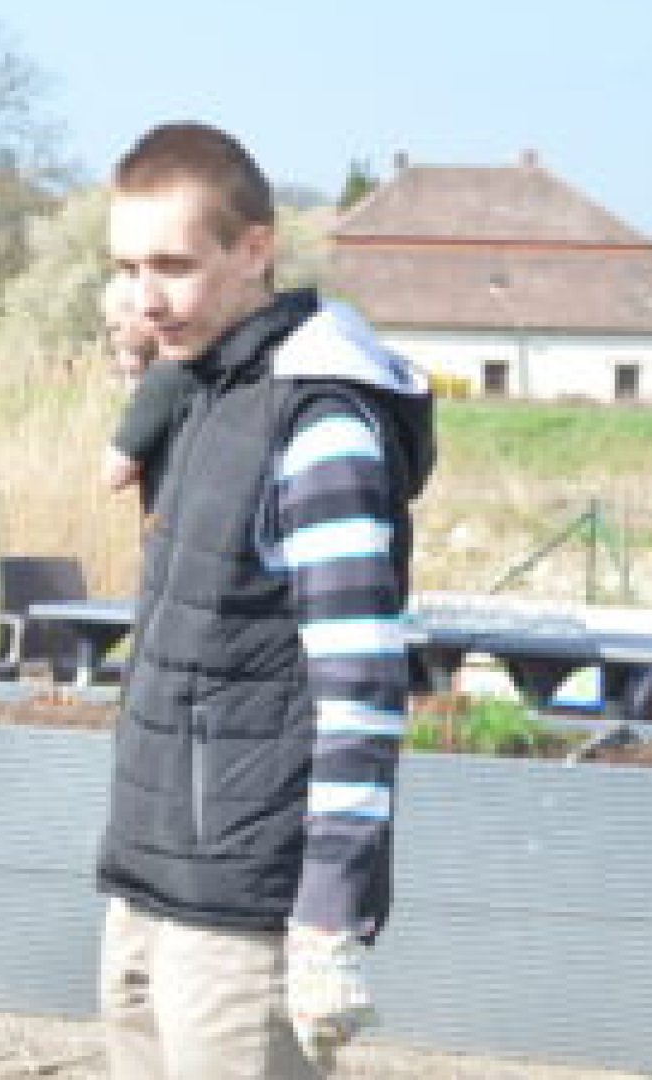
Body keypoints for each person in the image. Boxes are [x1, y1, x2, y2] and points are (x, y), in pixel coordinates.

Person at [94, 123, 434, 1078]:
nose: (144, 298)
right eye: (126, 268)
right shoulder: (204, 393)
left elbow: (363, 691)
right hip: (148, 882)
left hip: (246, 920)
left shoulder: (320, 426)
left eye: (172, 266)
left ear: (255, 250)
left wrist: (328, 918)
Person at [100, 274, 194, 507]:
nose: (114, 337)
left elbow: (115, 474)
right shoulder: (195, 362)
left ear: (144, 314)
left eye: (117, 326)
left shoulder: (166, 375)